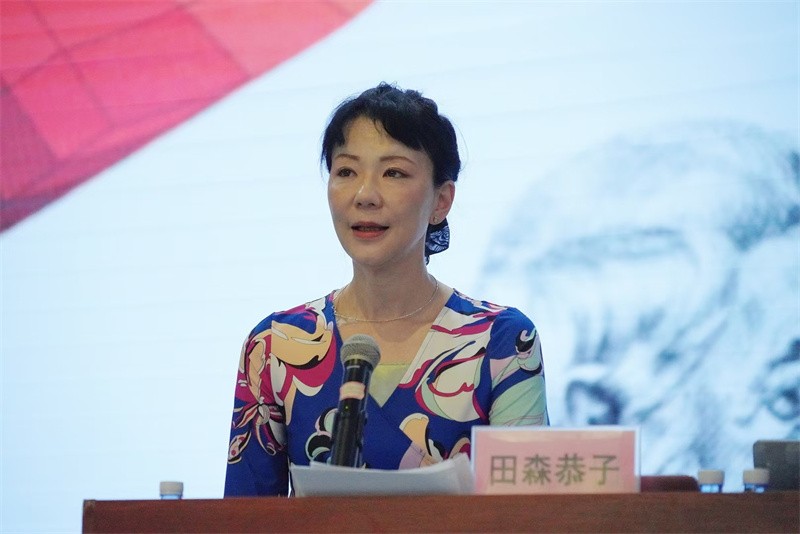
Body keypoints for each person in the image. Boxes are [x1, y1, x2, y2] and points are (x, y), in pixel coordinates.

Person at [224, 83, 549, 496]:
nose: (365, 196)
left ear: (441, 201)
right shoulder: (277, 345)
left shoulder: (502, 342)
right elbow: (244, 517)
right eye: (346, 172)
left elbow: (529, 514)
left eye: (394, 172)